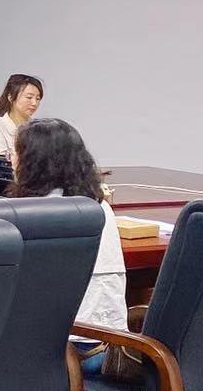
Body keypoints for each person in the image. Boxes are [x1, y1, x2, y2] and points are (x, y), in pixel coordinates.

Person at [10, 117, 126, 375]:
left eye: (16, 153)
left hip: (71, 350)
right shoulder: (99, 206)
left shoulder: (40, 212)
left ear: (34, 162)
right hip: (112, 345)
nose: (11, 159)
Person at [0, 73, 43, 163]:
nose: (34, 103)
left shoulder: (39, 128)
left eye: (38, 98)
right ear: (11, 97)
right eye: (29, 97)